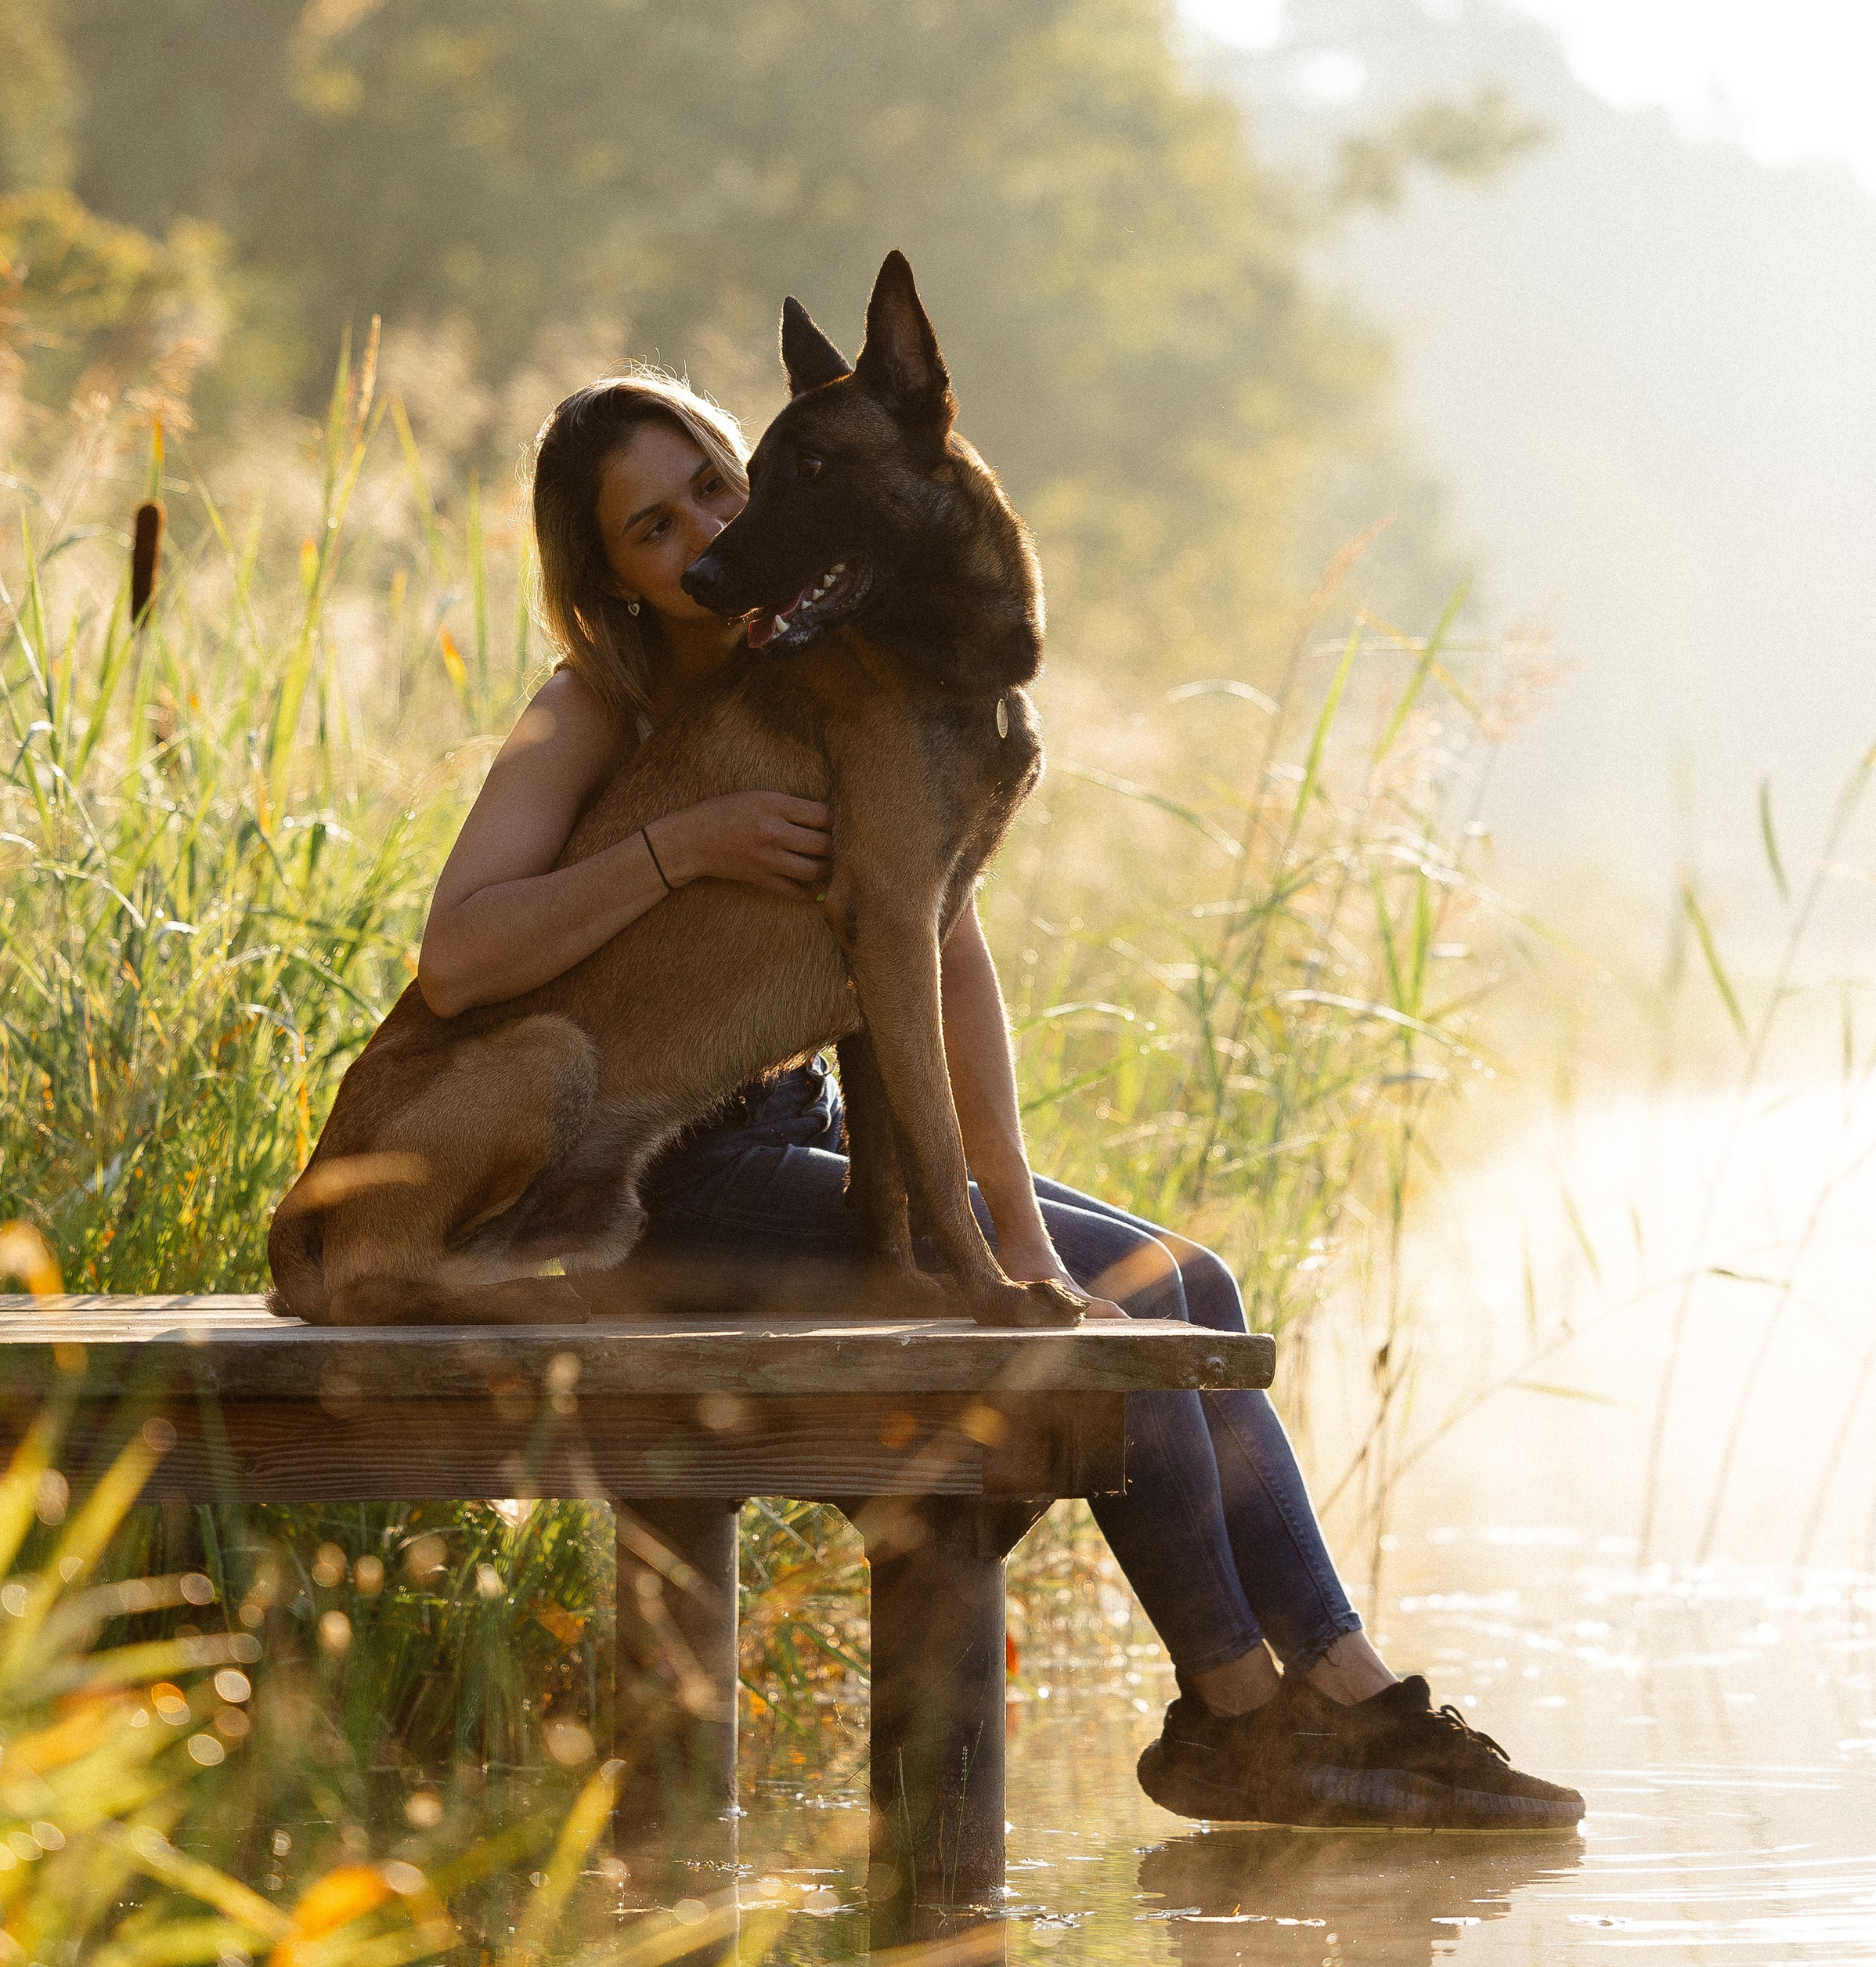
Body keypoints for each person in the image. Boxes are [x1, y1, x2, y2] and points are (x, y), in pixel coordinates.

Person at [415, 371, 1583, 1834]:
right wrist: (683, 845)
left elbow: (945, 955)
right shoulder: (595, 707)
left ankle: (1350, 1694)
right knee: (1113, 1327)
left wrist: (1020, 1233)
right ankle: (1235, 1713)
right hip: (654, 1182)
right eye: (657, 527)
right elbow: (457, 958)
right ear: (615, 578)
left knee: (1183, 1284)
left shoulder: (838, 668)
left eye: (719, 485)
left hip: (805, 1147)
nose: (709, 532)